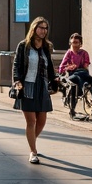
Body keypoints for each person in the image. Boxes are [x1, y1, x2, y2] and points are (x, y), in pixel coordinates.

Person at [13, 16, 58, 164]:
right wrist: (17, 81)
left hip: (42, 86)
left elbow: (49, 66)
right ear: (34, 28)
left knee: (42, 121)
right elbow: (17, 65)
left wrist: (55, 80)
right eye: (41, 27)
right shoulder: (24, 45)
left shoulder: (46, 46)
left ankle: (31, 140)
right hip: (28, 85)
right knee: (31, 121)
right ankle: (33, 151)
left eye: (46, 28)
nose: (44, 31)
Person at [58, 32, 92, 118]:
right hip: (72, 74)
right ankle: (72, 108)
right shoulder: (69, 53)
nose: (74, 45)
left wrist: (79, 66)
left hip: (82, 73)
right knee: (75, 81)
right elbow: (62, 66)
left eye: (76, 43)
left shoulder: (84, 53)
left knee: (81, 74)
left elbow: (85, 65)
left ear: (80, 44)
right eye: (72, 42)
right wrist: (68, 68)